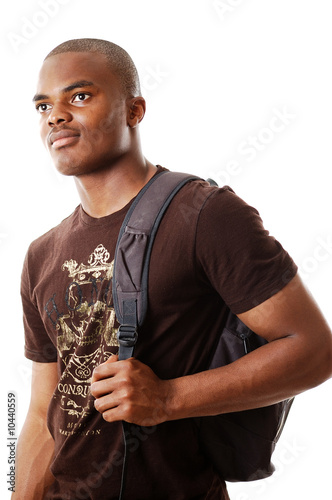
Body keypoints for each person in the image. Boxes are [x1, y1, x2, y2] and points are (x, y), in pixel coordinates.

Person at [13, 38, 332, 500]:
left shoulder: (204, 214)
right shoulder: (40, 254)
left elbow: (314, 350)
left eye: (79, 96)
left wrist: (167, 399)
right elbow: (45, 406)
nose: (56, 115)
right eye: (43, 105)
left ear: (134, 110)